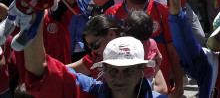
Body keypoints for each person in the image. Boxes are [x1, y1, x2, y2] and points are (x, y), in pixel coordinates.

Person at [24, 32, 164, 98]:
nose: (120, 78)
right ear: (104, 70)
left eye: (128, 70)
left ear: (141, 70)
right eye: (114, 70)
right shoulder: (86, 90)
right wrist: (33, 20)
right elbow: (40, 71)